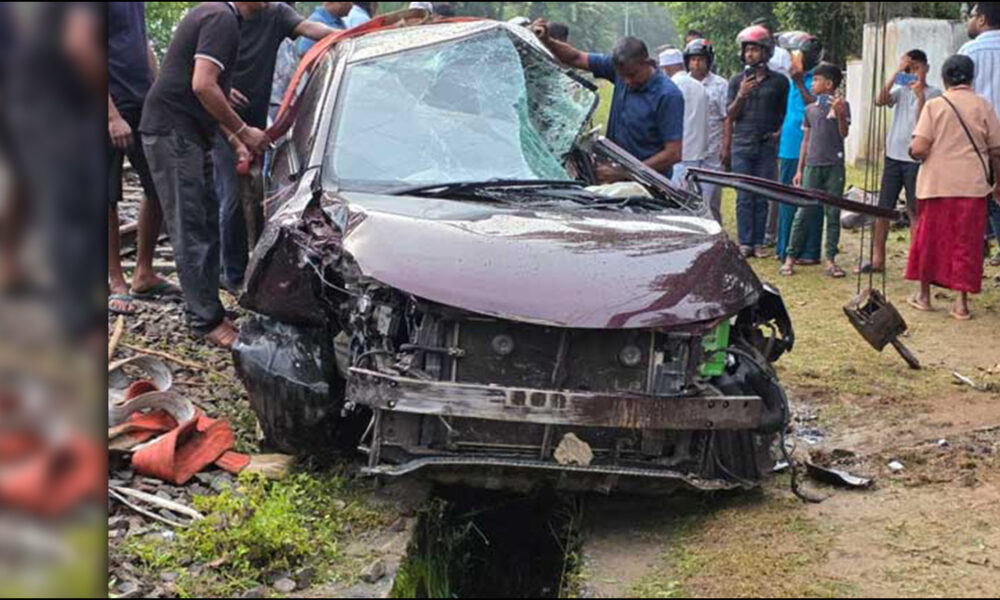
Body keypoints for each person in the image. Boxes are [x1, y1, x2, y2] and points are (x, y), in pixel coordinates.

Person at [140, 2, 271, 349]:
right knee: (191, 225)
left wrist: (232, 140)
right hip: (173, 132)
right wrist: (244, 131)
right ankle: (204, 321)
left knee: (206, 220)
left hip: (189, 133)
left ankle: (208, 307)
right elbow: (203, 86)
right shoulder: (221, 18)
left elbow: (201, 93)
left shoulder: (220, 16)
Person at [214, 4, 335, 294]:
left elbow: (311, 29)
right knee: (230, 200)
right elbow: (201, 78)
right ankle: (229, 274)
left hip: (257, 124)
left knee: (256, 196)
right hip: (220, 119)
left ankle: (251, 267)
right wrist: (223, 94)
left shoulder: (276, 13)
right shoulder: (221, 16)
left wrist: (347, 35)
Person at [905, 54, 1000, 320]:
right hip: (972, 186)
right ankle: (961, 303)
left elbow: (920, 147)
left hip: (936, 185)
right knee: (966, 243)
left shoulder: (935, 106)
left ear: (945, 78)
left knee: (929, 239)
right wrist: (998, 183)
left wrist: (913, 149)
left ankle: (924, 296)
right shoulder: (983, 105)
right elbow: (996, 150)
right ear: (972, 77)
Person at [533, 23, 683, 182]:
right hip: (613, 176)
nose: (627, 81)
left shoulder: (668, 95)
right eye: (622, 76)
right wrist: (548, 41)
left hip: (649, 186)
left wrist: (625, 173)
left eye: (633, 75)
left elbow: (673, 153)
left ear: (647, 62)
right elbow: (575, 57)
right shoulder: (618, 69)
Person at [108, 2, 180, 317]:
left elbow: (143, 43)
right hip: (107, 105)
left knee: (159, 185)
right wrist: (110, 116)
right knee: (105, 196)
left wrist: (158, 90)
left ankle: (143, 273)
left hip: (141, 102)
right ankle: (115, 280)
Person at [864, 50, 941, 274]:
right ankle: (878, 259)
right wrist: (897, 72)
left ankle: (916, 262)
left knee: (914, 210)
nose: (913, 72)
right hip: (892, 156)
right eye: (910, 68)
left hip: (915, 160)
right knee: (883, 209)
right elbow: (879, 100)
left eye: (916, 67)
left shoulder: (934, 94)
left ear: (926, 68)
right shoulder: (900, 91)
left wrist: (920, 97)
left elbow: (923, 125)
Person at [781, 63, 851, 278]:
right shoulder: (810, 109)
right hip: (812, 165)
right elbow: (806, 140)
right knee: (803, 212)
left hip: (833, 166)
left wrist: (840, 114)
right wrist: (800, 169)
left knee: (832, 213)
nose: (813, 84)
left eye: (817, 80)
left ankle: (830, 259)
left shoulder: (843, 105)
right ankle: (790, 258)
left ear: (829, 84)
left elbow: (844, 133)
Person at [726, 25, 789, 258]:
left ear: (766, 51)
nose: (750, 54)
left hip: (766, 146)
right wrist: (741, 94)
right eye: (747, 50)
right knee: (743, 196)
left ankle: (760, 242)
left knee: (762, 194)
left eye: (754, 49)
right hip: (741, 145)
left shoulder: (780, 82)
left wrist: (779, 133)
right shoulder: (735, 81)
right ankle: (745, 242)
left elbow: (786, 112)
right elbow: (730, 115)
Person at [776, 33, 824, 264]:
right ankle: (785, 248)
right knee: (786, 199)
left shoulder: (817, 80)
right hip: (789, 147)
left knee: (811, 201)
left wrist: (797, 81)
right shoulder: (790, 78)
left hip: (811, 148)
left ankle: (809, 251)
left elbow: (813, 107)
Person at [960, 2, 1000, 267]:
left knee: (975, 199)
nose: (968, 21)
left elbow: (958, 96)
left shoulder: (969, 51)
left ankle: (974, 252)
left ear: (983, 19)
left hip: (976, 141)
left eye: (970, 16)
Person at [682, 38, 728, 222]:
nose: (696, 63)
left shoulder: (720, 85)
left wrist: (725, 146)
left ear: (708, 61)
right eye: (693, 59)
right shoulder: (681, 84)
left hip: (712, 150)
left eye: (700, 59)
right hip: (688, 149)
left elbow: (726, 118)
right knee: (687, 199)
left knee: (711, 201)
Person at [661, 49, 708, 192]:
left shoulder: (670, 88)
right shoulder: (700, 86)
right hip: (697, 152)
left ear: (666, 68)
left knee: (677, 197)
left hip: (677, 153)